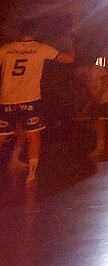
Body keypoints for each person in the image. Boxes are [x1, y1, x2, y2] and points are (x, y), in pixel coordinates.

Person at [1, 26, 75, 185]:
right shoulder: (41, 49)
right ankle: (31, 176)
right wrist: (69, 45)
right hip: (30, 98)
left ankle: (14, 160)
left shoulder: (6, 49)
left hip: (7, 99)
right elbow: (69, 59)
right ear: (34, 33)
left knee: (3, 135)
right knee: (33, 136)